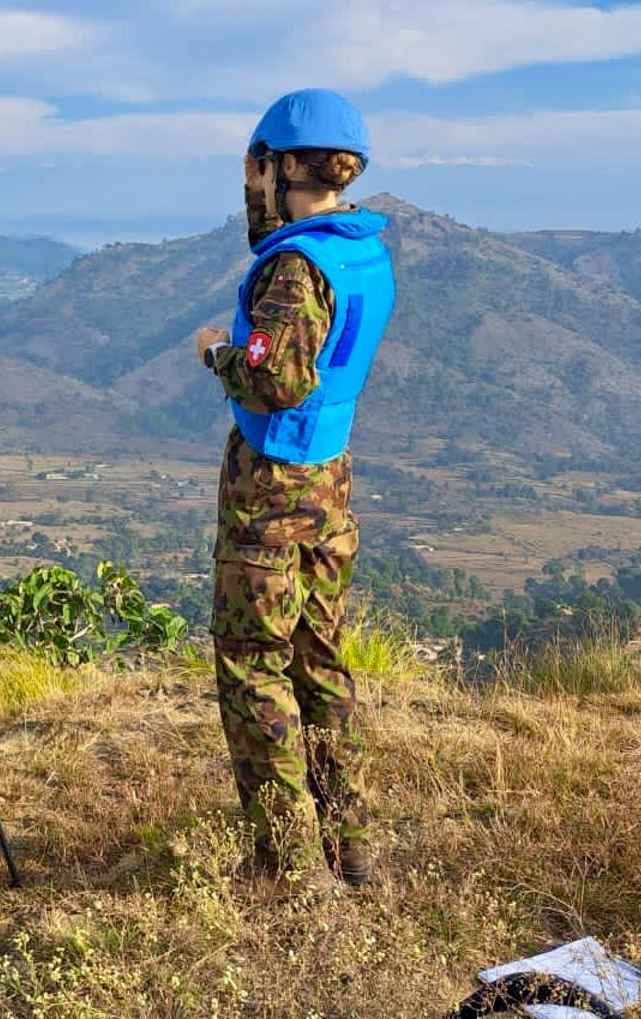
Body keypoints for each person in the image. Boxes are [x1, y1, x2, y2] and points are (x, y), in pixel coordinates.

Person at [195, 88, 396, 892]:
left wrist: (217, 352)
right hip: (331, 480)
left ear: (279, 167)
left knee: (252, 667)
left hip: (272, 487)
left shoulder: (296, 262)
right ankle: (356, 851)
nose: (250, 184)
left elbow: (275, 379)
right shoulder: (362, 250)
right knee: (319, 662)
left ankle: (289, 869)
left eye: (255, 167)